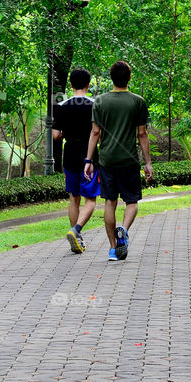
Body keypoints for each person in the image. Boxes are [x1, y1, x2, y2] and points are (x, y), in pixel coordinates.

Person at [84, 61, 153, 262]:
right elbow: (142, 134)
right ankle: (123, 228)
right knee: (131, 201)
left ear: (111, 77)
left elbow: (95, 132)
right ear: (129, 78)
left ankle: (113, 249)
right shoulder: (137, 101)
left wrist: (88, 160)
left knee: (109, 201)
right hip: (130, 160)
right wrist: (148, 162)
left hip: (107, 160)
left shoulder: (100, 102)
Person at [52, 69, 100, 254]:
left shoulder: (62, 105)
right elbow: (98, 132)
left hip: (70, 154)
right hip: (90, 155)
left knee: (74, 198)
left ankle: (77, 238)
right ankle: (75, 231)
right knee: (91, 200)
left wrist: (66, 134)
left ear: (70, 85)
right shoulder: (95, 104)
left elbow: (56, 135)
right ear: (88, 85)